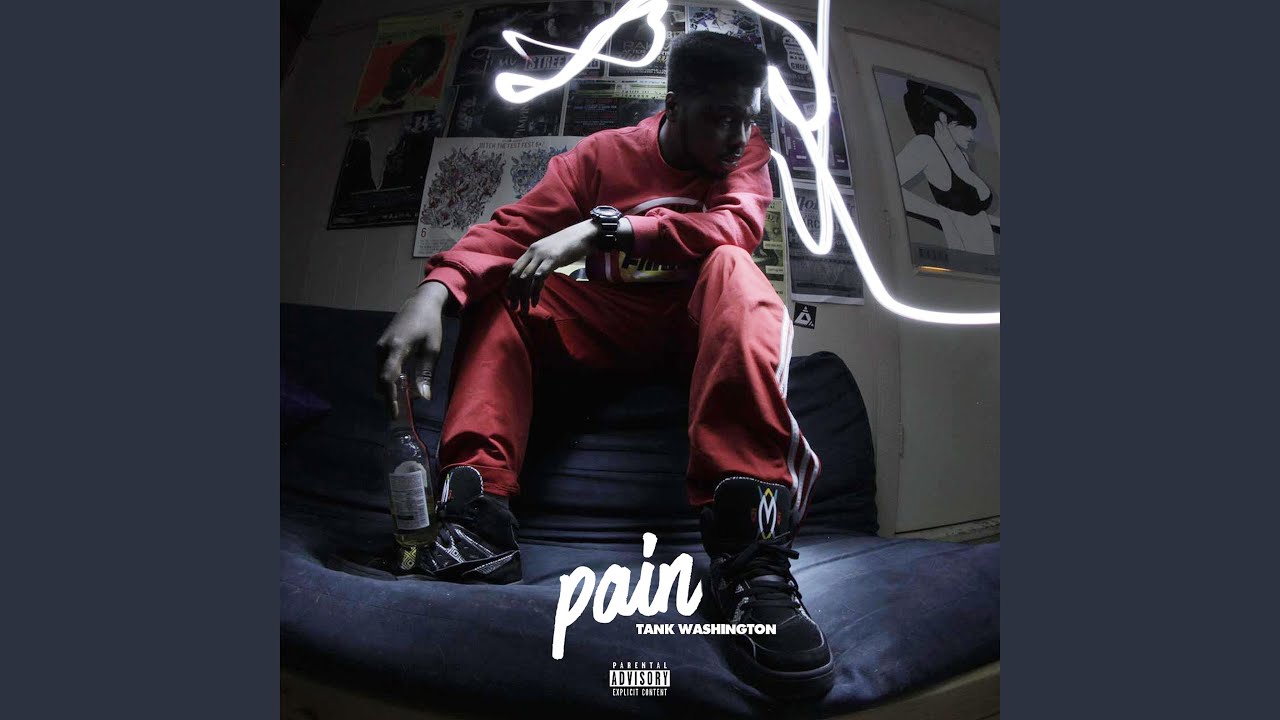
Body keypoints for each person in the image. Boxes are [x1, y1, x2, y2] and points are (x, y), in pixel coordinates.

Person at [339, 32, 832, 698]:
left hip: (702, 325)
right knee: (508, 289)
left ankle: (750, 555)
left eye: (748, 117)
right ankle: (477, 526)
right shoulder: (602, 155)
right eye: (720, 117)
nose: (737, 136)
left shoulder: (749, 154)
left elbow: (734, 228)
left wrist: (606, 228)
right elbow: (514, 228)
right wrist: (433, 291)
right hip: (613, 325)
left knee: (736, 268)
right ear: (674, 103)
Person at [894, 80, 1001, 255]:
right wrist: (939, 215)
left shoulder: (963, 157)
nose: (972, 136)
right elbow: (888, 186)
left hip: (988, 261)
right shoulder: (925, 145)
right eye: (967, 127)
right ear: (944, 119)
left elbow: (974, 218)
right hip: (963, 256)